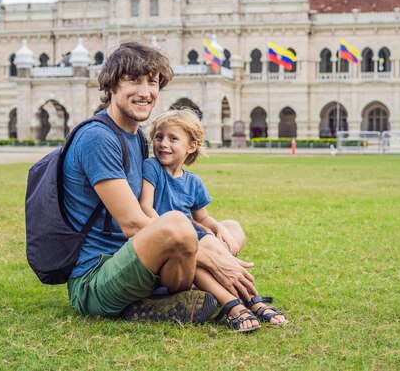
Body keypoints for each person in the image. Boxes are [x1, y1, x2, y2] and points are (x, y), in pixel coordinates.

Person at [62, 42, 256, 323]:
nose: (145, 91)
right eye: (133, 80)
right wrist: (208, 255)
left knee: (229, 229)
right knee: (180, 225)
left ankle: (159, 299)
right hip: (96, 279)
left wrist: (210, 239)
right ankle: (173, 295)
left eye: (152, 82)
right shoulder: (98, 138)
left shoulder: (137, 137)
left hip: (136, 259)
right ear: (112, 85)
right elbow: (133, 224)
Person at [139, 109, 287, 332]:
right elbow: (145, 206)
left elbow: (202, 217)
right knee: (204, 248)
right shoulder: (152, 168)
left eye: (173, 138)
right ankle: (235, 304)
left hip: (192, 234)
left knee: (223, 234)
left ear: (191, 146)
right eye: (159, 137)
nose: (163, 144)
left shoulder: (193, 182)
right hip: (171, 239)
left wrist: (219, 229)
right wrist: (163, 231)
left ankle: (249, 299)